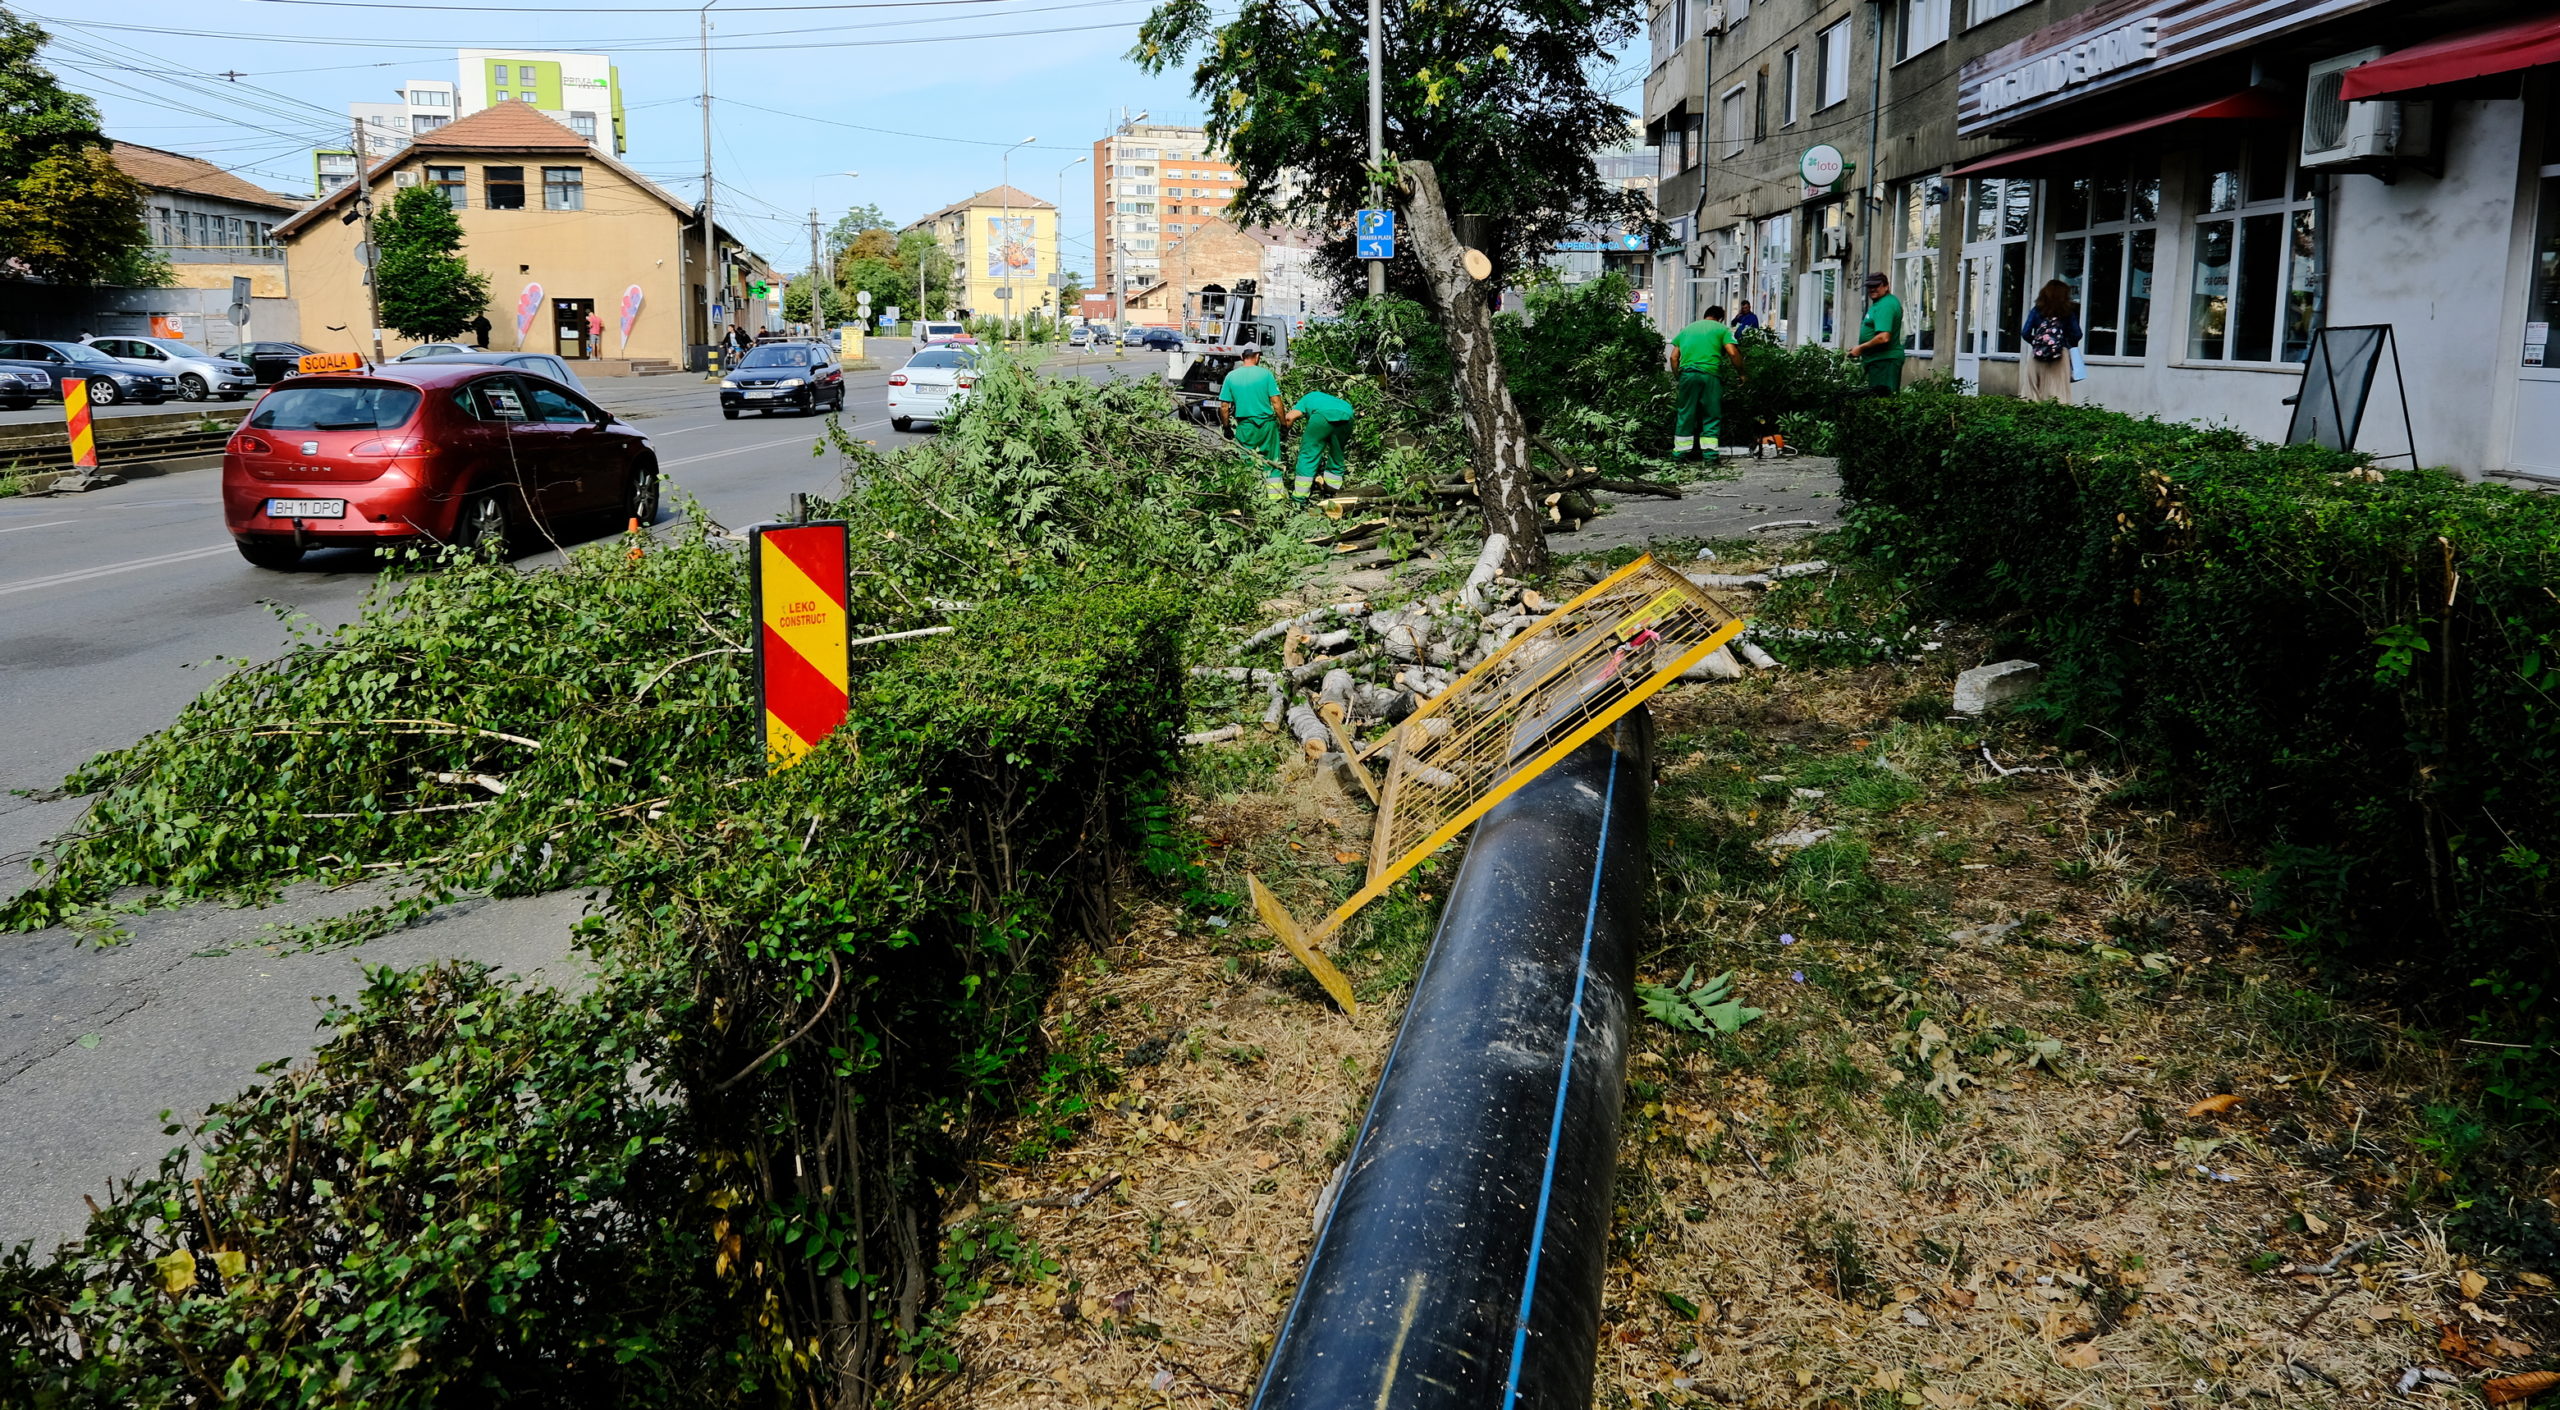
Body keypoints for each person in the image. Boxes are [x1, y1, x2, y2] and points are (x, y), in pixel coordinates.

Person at [1667, 304, 1743, 459]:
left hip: (1687, 375)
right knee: (1711, 413)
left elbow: (1673, 358)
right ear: (1720, 319)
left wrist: (1678, 376)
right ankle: (1709, 455)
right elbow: (1733, 353)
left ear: (1705, 315)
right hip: (1710, 376)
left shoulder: (1687, 329)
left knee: (1685, 413)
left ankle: (1680, 454)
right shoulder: (1721, 329)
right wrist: (1742, 374)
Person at [1218, 347, 1287, 497]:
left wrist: (1226, 427)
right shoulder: (1265, 374)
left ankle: (1251, 499)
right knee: (1273, 461)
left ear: (1242, 357)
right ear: (1257, 356)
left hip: (1245, 426)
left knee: (1247, 459)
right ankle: (1275, 499)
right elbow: (1276, 402)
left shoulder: (1231, 376)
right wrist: (1283, 425)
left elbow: (1224, 407)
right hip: (1267, 426)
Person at [1282, 388, 1356, 500]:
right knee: (1337, 455)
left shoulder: (1307, 398)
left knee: (1308, 455)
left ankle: (1299, 498)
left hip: (1322, 416)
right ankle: (1332, 495)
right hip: (1348, 416)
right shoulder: (1329, 399)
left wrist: (1283, 433)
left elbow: (1289, 418)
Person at [2020, 279, 2082, 404]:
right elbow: (2077, 334)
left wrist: (2039, 343)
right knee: (2059, 396)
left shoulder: (2036, 310)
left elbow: (2025, 332)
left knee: (2032, 396)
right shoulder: (2068, 312)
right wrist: (2064, 344)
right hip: (2060, 355)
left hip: (2037, 356)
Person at [1850, 272, 1904, 396]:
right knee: (1879, 401)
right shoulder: (1885, 301)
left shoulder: (1885, 305)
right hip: (1880, 361)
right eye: (1869, 286)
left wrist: (1861, 348)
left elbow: (1883, 337)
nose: (1872, 289)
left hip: (1885, 361)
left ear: (1886, 286)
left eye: (1876, 286)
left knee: (1882, 402)